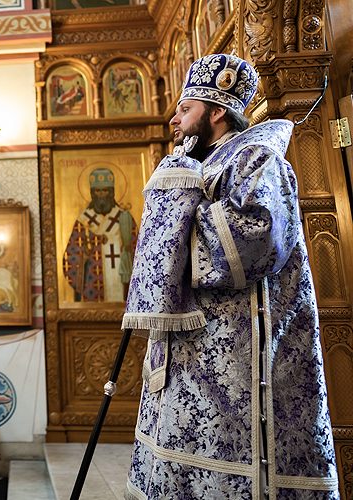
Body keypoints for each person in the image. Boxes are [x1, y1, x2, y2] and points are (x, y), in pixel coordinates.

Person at [125, 53, 339, 498]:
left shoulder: (256, 159)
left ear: (217, 110)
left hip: (236, 363)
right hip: (185, 355)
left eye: (185, 109)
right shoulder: (192, 166)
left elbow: (259, 239)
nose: (174, 119)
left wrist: (172, 231)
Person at [63, 167, 137, 302]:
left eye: (105, 190)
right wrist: (82, 256)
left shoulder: (124, 218)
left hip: (122, 283)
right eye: (97, 190)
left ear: (112, 192)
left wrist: (127, 252)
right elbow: (70, 256)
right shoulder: (83, 221)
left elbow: (139, 248)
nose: (101, 194)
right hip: (93, 285)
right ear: (92, 193)